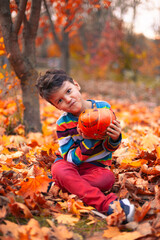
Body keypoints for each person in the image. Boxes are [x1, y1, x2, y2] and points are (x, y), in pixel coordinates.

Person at [36, 69, 135, 222]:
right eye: (60, 100)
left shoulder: (103, 109)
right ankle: (108, 205)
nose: (68, 99)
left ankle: (59, 185)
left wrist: (115, 138)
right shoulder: (62, 124)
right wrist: (88, 141)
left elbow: (108, 149)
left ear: (76, 85)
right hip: (69, 165)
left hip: (96, 167)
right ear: (57, 107)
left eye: (69, 91)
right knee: (61, 170)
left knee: (107, 179)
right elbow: (70, 159)